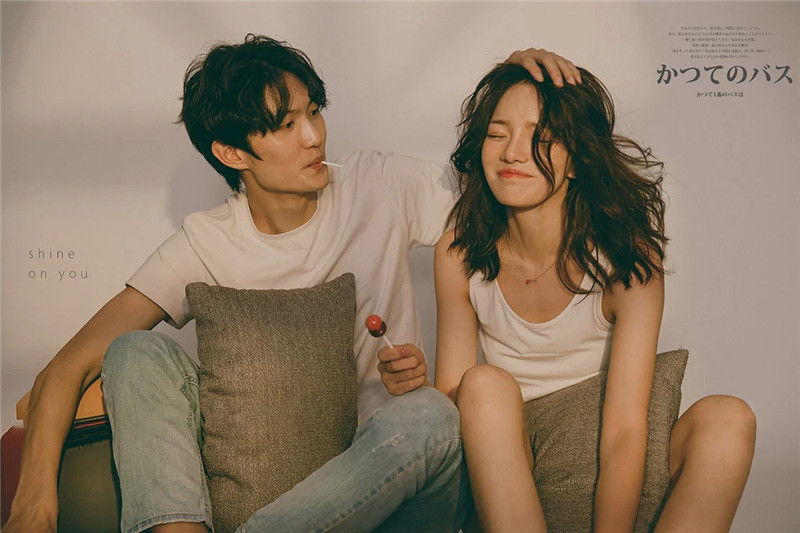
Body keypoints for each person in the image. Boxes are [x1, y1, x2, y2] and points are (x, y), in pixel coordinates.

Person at [4, 35, 580, 533]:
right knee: (137, 351)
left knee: (431, 415)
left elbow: (506, 177)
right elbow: (66, 367)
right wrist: (34, 507)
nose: (313, 137)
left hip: (399, 481)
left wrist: (513, 85)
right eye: (286, 125)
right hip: (287, 494)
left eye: (314, 112)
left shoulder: (379, 184)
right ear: (232, 152)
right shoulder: (207, 244)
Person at [431, 63, 757, 532]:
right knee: (481, 386)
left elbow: (625, 429)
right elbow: (451, 406)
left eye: (541, 138)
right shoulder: (460, 253)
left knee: (728, 418)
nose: (512, 152)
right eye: (496, 134)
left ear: (578, 160)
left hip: (610, 467)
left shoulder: (625, 260)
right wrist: (413, 388)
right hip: (507, 466)